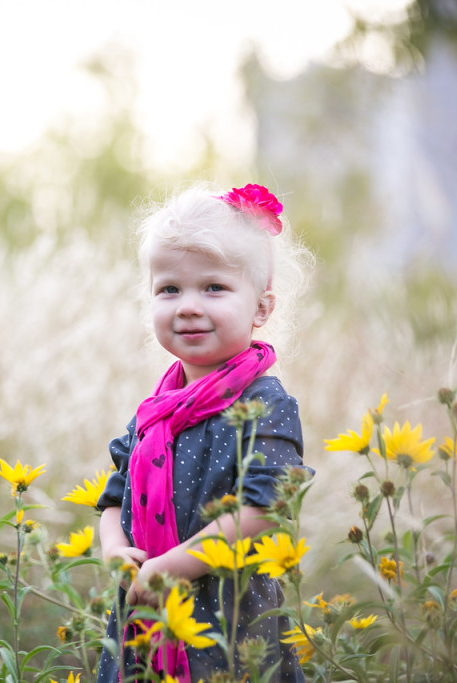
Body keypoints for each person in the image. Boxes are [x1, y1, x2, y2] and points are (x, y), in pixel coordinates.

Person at [96, 182, 311, 682]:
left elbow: (265, 509)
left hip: (226, 622)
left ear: (261, 308)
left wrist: (175, 565)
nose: (188, 305)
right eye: (169, 289)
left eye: (213, 287)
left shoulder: (265, 403)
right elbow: (112, 499)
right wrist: (113, 549)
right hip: (144, 614)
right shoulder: (154, 411)